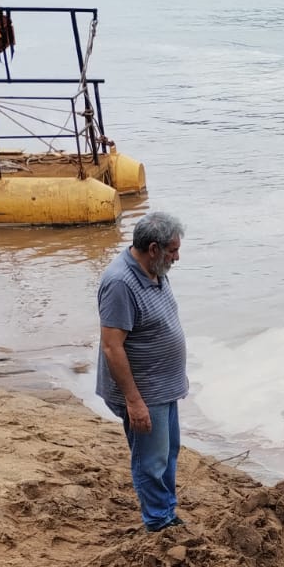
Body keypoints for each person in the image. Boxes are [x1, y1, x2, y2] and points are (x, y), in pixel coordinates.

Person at [97, 210, 189, 532]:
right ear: (154, 249)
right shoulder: (120, 283)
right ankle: (158, 522)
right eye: (173, 250)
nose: (177, 257)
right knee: (150, 461)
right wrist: (134, 401)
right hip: (144, 392)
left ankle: (166, 511)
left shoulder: (155, 270)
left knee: (169, 453)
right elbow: (112, 346)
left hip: (165, 386)